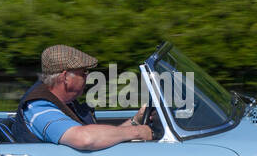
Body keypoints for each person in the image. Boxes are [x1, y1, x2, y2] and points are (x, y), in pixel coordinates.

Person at [10, 45, 153, 150]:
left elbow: (103, 137)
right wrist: (137, 132)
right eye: (83, 73)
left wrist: (136, 120)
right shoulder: (38, 108)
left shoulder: (65, 103)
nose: (88, 77)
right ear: (65, 77)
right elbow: (85, 139)